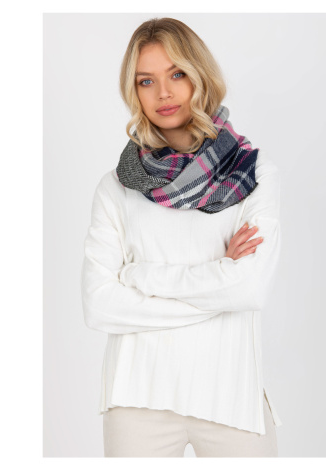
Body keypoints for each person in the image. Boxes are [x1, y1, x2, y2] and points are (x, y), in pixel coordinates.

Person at [81, 17, 283, 457]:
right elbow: (99, 305)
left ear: (199, 74)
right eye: (146, 81)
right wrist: (218, 281)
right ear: (133, 91)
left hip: (232, 396)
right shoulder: (117, 187)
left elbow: (250, 288)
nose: (163, 93)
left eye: (176, 74)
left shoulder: (253, 173)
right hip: (137, 399)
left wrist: (138, 276)